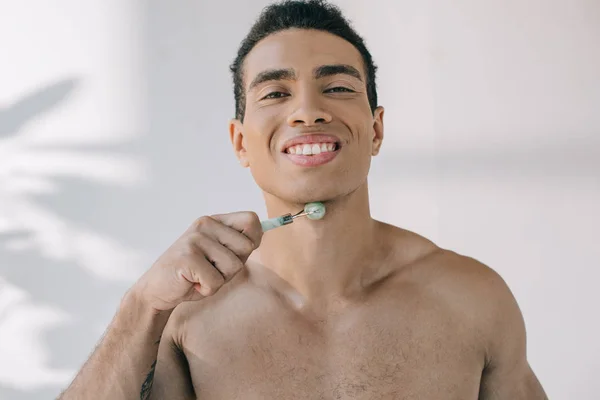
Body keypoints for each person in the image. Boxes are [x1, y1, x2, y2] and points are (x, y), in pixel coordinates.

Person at [59, 0, 548, 399]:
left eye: (336, 87)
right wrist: (142, 304)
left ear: (376, 130)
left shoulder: (473, 298)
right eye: (275, 93)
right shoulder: (186, 314)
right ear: (240, 142)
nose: (309, 112)